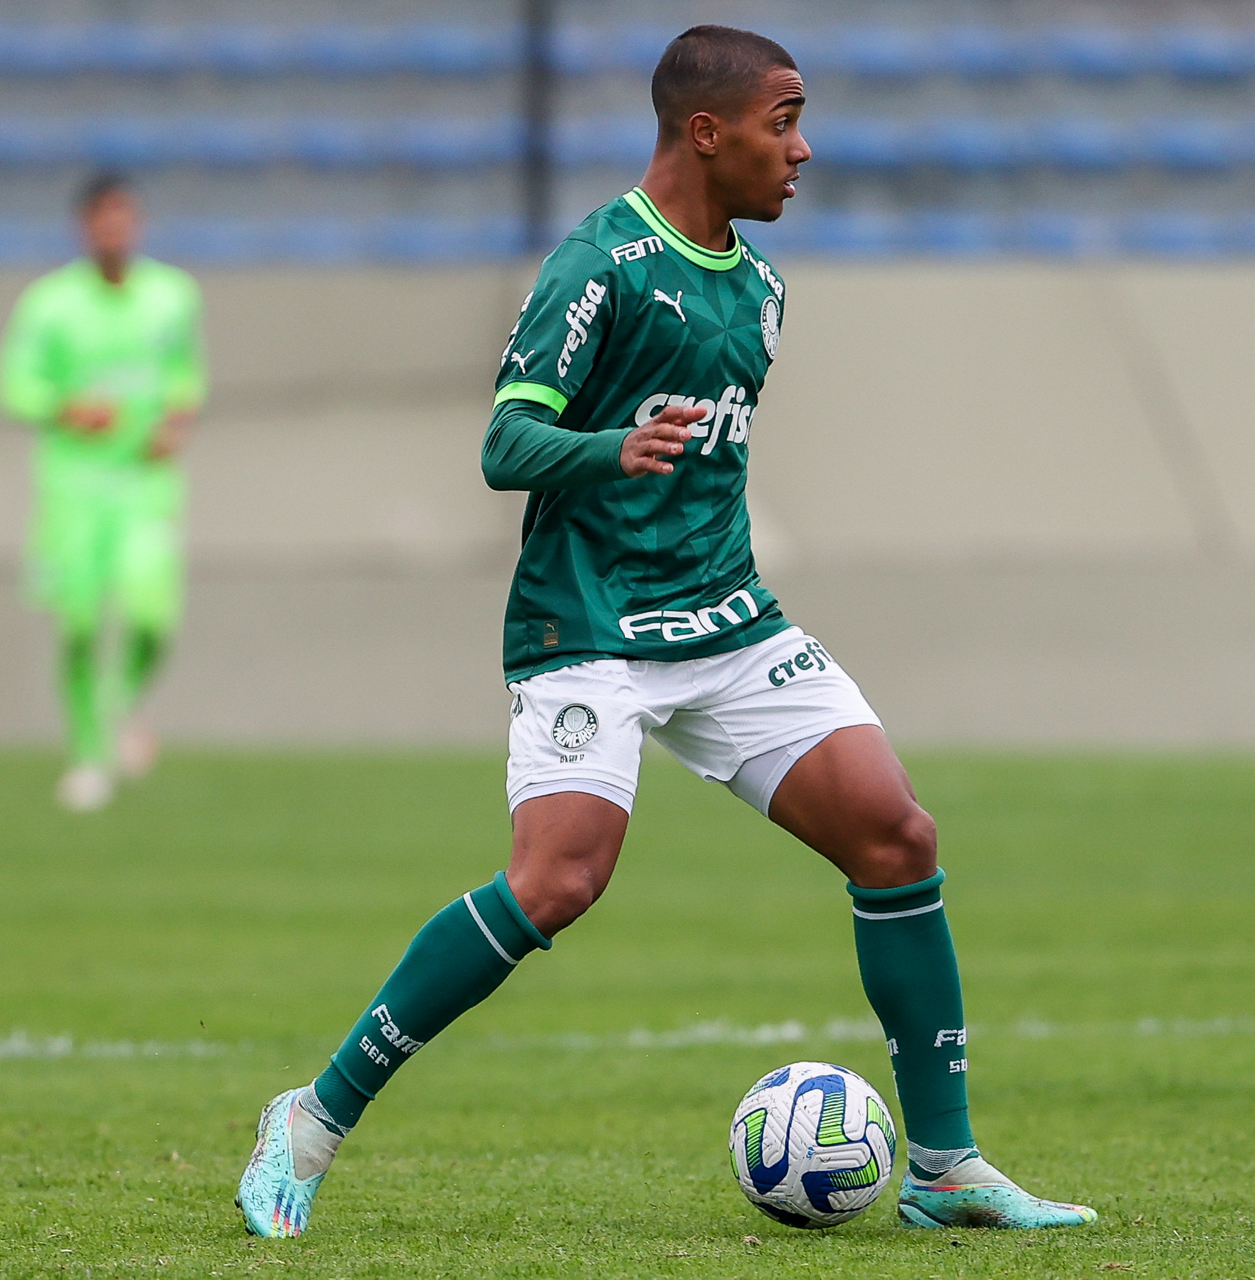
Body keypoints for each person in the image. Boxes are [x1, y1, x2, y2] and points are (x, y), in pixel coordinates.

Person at [237, 25, 1097, 1237]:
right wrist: (611, 447)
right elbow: (504, 443)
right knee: (558, 880)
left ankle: (944, 1166)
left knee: (896, 834)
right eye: (782, 121)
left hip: (729, 619)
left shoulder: (762, 289)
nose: (802, 149)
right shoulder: (599, 263)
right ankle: (310, 1119)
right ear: (706, 131)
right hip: (590, 620)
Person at [1, 174, 205, 811]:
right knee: (81, 625)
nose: (114, 230)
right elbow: (17, 385)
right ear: (84, 227)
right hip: (75, 487)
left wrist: (175, 422)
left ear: (136, 225)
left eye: (124, 217)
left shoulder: (172, 297)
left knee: (152, 617)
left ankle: (117, 708)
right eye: (102, 219)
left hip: (144, 484)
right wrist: (66, 407)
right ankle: (88, 758)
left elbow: (184, 375)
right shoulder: (49, 305)